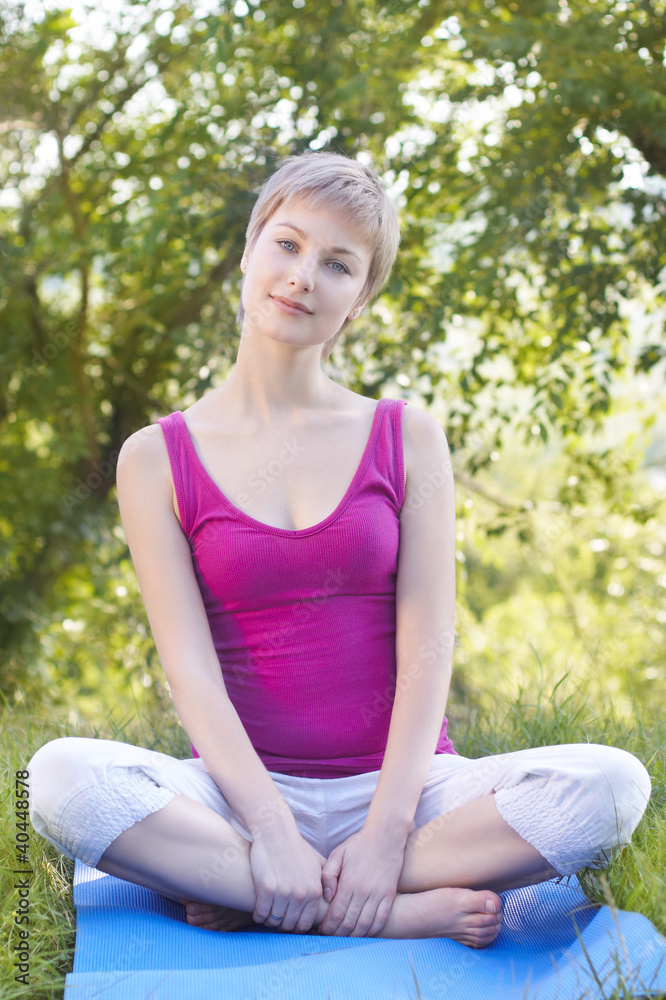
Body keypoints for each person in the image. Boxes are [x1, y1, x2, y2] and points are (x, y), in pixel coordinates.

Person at [28, 151, 651, 948]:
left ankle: (268, 896)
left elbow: (429, 647)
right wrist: (272, 827)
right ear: (249, 251)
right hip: (237, 799)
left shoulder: (407, 437)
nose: (302, 277)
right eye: (286, 245)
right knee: (56, 779)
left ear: (359, 298)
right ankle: (372, 911)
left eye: (337, 264)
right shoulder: (154, 458)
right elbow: (189, 671)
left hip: (410, 792)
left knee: (609, 788)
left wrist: (388, 831)